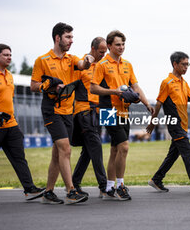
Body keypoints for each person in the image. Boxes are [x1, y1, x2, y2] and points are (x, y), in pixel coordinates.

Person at [31, 22, 93, 204]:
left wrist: (88, 59)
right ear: (57, 38)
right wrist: (49, 85)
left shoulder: (72, 59)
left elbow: (82, 64)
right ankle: (71, 191)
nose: (71, 41)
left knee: (57, 153)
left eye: (72, 37)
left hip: (68, 111)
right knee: (65, 149)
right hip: (51, 110)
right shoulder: (42, 60)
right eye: (68, 37)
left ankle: (48, 192)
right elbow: (33, 86)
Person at [0, 44, 45, 204]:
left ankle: (29, 189)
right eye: (5, 55)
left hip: (11, 125)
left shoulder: (10, 75)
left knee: (19, 158)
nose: (9, 57)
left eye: (10, 55)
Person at [91, 30, 154, 200]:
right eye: (118, 44)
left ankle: (109, 187)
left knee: (115, 150)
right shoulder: (102, 65)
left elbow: (135, 86)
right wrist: (115, 92)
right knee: (124, 146)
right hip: (107, 110)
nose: (121, 47)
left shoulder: (128, 64)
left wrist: (147, 103)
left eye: (123, 44)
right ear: (109, 45)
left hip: (124, 111)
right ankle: (120, 185)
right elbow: (93, 88)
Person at [146, 51, 190, 193]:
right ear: (175, 64)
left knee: (173, 155)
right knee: (188, 152)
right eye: (183, 64)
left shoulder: (184, 83)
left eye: (188, 64)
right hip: (175, 125)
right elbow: (158, 104)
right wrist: (153, 121)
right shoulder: (167, 83)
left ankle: (156, 179)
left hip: (183, 124)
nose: (186, 67)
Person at [71, 37, 108, 197]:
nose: (103, 54)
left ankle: (75, 183)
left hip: (100, 112)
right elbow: (69, 88)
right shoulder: (81, 65)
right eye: (101, 52)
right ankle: (104, 186)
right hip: (84, 110)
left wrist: (109, 117)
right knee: (95, 146)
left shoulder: (102, 66)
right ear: (92, 49)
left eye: (105, 51)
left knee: (88, 150)